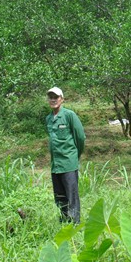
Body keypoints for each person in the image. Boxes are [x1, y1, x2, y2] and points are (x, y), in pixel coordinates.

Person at [45, 87, 85, 224]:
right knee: (60, 196)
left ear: (62, 99)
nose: (53, 100)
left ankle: (75, 225)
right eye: (50, 97)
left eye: (56, 97)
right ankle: (64, 222)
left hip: (68, 163)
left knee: (71, 196)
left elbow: (80, 137)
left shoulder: (69, 115)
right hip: (55, 165)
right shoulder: (49, 119)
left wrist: (74, 155)